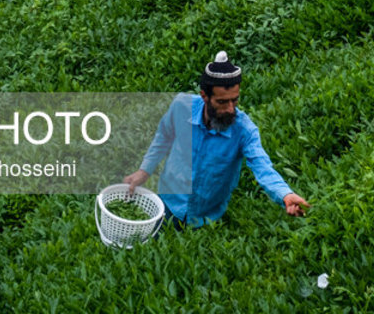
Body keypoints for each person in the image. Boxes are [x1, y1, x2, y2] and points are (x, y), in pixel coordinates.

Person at [124, 51, 309, 228]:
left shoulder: (244, 130)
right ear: (204, 96)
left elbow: (262, 167)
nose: (230, 109)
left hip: (206, 218)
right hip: (168, 203)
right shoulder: (181, 106)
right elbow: (163, 137)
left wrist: (285, 194)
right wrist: (144, 170)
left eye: (234, 100)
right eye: (222, 102)